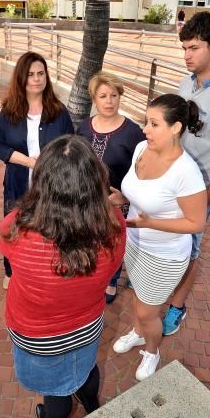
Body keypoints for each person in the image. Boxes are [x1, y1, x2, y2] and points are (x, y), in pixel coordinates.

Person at [0, 135, 126, 418]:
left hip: (36, 334)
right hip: (87, 325)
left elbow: (6, 241)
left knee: (55, 392)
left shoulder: (17, 229)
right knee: (86, 367)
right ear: (95, 182)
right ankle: (90, 401)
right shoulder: (114, 226)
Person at [111, 94, 206, 380]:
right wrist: (121, 198)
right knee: (140, 301)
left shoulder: (186, 172)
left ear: (176, 127)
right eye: (145, 121)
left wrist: (152, 222)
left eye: (154, 123)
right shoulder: (142, 148)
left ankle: (152, 351)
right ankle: (139, 333)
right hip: (135, 244)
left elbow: (196, 222)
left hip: (164, 255)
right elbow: (138, 192)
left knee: (146, 311)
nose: (145, 129)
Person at [162, 11, 210, 336]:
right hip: (172, 181)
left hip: (201, 191)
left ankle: (177, 307)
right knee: (167, 239)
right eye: (184, 49)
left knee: (190, 251)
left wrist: (206, 199)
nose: (187, 55)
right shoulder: (186, 81)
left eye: (194, 48)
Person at [0, 51, 74, 290]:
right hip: (18, 184)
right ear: (21, 78)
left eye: (41, 73)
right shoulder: (9, 112)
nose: (36, 79)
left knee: (50, 229)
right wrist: (28, 162)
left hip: (52, 188)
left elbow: (71, 143)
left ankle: (47, 271)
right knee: (14, 228)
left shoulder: (58, 111)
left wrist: (51, 162)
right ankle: (11, 271)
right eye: (30, 74)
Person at [77, 71, 145, 303]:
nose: (109, 101)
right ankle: (91, 277)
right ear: (94, 99)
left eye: (113, 95)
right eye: (103, 96)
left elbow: (143, 171)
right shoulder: (84, 127)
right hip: (86, 201)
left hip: (117, 203)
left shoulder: (133, 132)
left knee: (113, 244)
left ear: (120, 97)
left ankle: (112, 279)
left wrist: (126, 197)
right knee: (87, 240)